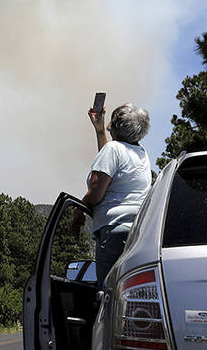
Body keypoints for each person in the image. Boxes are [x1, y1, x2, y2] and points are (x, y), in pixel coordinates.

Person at [70, 102, 151, 287]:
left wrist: (78, 212)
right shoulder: (141, 153)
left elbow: (96, 192)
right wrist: (100, 130)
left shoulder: (113, 150)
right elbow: (110, 163)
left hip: (113, 232)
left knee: (108, 293)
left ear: (116, 126)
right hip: (137, 233)